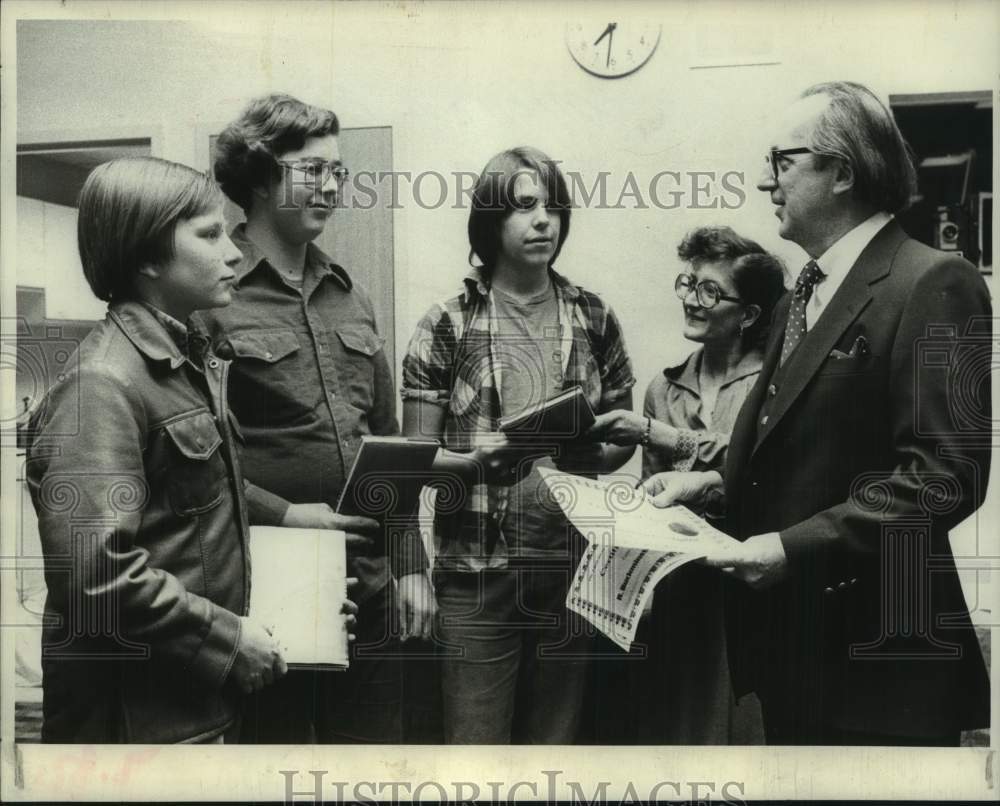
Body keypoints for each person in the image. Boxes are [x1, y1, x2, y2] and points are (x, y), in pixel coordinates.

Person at [646, 81, 991, 745]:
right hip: (794, 660)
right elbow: (811, 449)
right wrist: (711, 483)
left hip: (881, 674)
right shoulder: (800, 294)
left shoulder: (934, 281)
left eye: (782, 161)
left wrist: (791, 550)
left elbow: (947, 475)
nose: (763, 182)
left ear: (842, 171)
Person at [26, 157, 356, 743]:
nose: (233, 253)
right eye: (209, 235)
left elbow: (199, 522)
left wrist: (299, 610)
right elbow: (96, 577)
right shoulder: (102, 383)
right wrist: (227, 642)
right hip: (141, 727)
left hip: (192, 706)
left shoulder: (184, 363)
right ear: (148, 257)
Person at [200, 93, 433, 743]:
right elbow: (195, 467)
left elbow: (390, 446)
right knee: (269, 768)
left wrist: (411, 565)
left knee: (372, 765)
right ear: (261, 173)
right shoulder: (213, 296)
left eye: (339, 172)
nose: (332, 186)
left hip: (366, 580)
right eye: (313, 170)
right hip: (263, 583)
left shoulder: (348, 293)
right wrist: (286, 515)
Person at [401, 146, 637, 744]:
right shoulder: (447, 322)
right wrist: (477, 463)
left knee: (555, 750)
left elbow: (623, 439)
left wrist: (591, 453)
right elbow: (412, 463)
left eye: (554, 207)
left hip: (574, 568)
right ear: (490, 220)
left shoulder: (594, 316)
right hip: (477, 571)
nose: (544, 221)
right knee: (475, 754)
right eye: (525, 207)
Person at [586, 226, 784, 743]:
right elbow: (655, 497)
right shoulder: (663, 387)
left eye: (710, 291)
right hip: (679, 596)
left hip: (749, 593)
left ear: (749, 315)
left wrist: (659, 435)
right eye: (688, 284)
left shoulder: (776, 386)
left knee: (746, 742)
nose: (692, 301)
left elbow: (760, 473)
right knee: (675, 736)